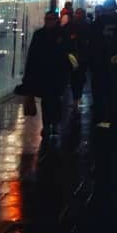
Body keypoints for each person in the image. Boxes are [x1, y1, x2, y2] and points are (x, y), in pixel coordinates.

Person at [22, 10, 71, 138]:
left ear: (56, 20)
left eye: (51, 19)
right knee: (48, 100)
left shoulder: (60, 34)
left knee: (53, 100)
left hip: (56, 73)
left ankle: (52, 124)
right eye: (47, 19)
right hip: (44, 73)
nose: (48, 22)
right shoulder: (40, 34)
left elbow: (67, 54)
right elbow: (32, 56)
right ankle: (49, 124)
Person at [66, 8, 91, 107]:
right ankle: (77, 97)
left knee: (77, 77)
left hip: (78, 56)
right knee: (76, 77)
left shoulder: (74, 25)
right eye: (77, 13)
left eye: (79, 14)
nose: (77, 15)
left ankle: (76, 98)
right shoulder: (85, 25)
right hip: (77, 56)